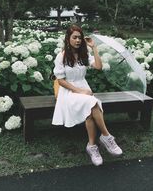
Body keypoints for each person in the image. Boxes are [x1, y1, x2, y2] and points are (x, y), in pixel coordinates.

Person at [52, 24, 122, 166]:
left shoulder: (84, 54)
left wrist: (94, 48)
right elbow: (60, 80)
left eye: (79, 37)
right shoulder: (62, 56)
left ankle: (92, 146)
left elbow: (98, 66)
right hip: (68, 91)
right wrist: (80, 91)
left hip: (83, 87)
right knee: (93, 103)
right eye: (74, 37)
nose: (77, 40)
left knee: (90, 111)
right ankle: (106, 137)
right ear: (68, 38)